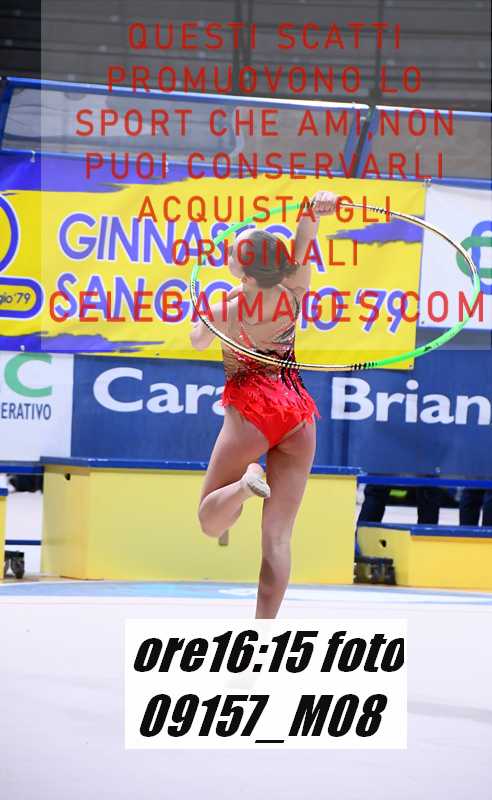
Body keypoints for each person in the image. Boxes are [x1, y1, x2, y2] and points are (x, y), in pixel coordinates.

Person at [190, 191, 337, 618]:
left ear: (248, 274)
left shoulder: (224, 309)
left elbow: (196, 342)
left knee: (210, 521)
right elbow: (305, 235)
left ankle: (244, 485)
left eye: (234, 255)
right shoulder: (295, 289)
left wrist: (206, 315)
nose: (228, 256)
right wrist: (314, 207)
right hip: (297, 411)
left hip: (251, 411)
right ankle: (263, 631)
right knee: (277, 538)